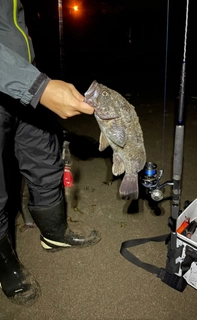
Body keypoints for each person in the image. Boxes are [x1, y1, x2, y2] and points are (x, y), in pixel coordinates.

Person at [0, 0, 101, 306]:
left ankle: (54, 232)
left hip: (22, 80)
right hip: (24, 82)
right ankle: (5, 264)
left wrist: (30, 79)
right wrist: (38, 87)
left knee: (44, 151)